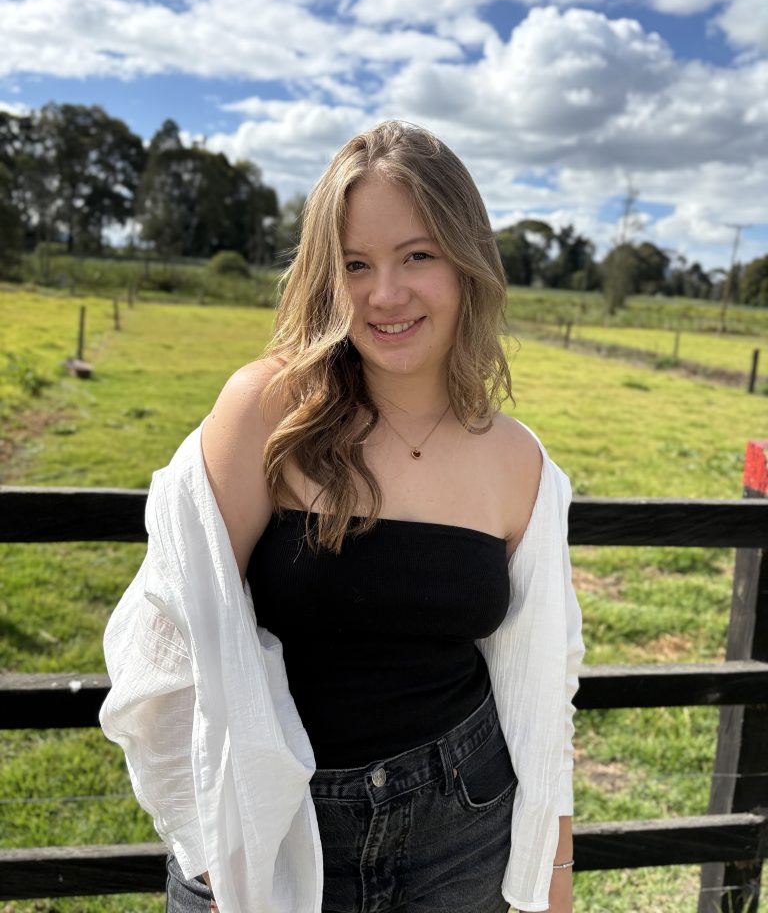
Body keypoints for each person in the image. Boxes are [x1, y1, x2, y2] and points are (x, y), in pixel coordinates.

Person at [100, 120, 584, 913]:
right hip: (272, 830)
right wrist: (220, 860)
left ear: (466, 261)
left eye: (417, 256)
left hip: (461, 836)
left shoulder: (516, 460)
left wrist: (553, 873)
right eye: (355, 264)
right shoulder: (267, 411)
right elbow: (167, 638)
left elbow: (542, 681)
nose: (384, 294)